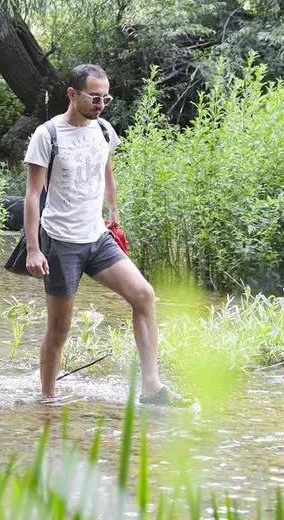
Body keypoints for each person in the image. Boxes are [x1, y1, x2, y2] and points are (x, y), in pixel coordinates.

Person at [23, 64, 187, 407]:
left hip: (97, 237)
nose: (101, 103)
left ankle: (151, 387)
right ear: (72, 94)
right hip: (60, 241)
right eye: (94, 96)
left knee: (144, 295)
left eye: (106, 97)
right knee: (60, 328)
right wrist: (34, 250)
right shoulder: (47, 135)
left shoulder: (104, 130)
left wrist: (113, 211)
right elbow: (33, 195)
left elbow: (106, 169)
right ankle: (47, 400)